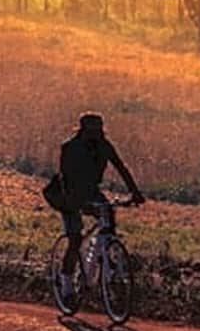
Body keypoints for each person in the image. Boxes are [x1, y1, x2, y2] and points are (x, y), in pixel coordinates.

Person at [51, 112, 144, 279]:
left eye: (98, 131)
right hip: (68, 193)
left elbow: (121, 168)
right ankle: (66, 280)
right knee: (75, 238)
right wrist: (76, 203)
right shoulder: (70, 147)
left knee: (108, 219)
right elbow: (65, 177)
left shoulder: (104, 146)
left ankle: (105, 256)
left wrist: (135, 192)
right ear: (83, 131)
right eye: (92, 131)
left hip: (91, 190)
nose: (96, 135)